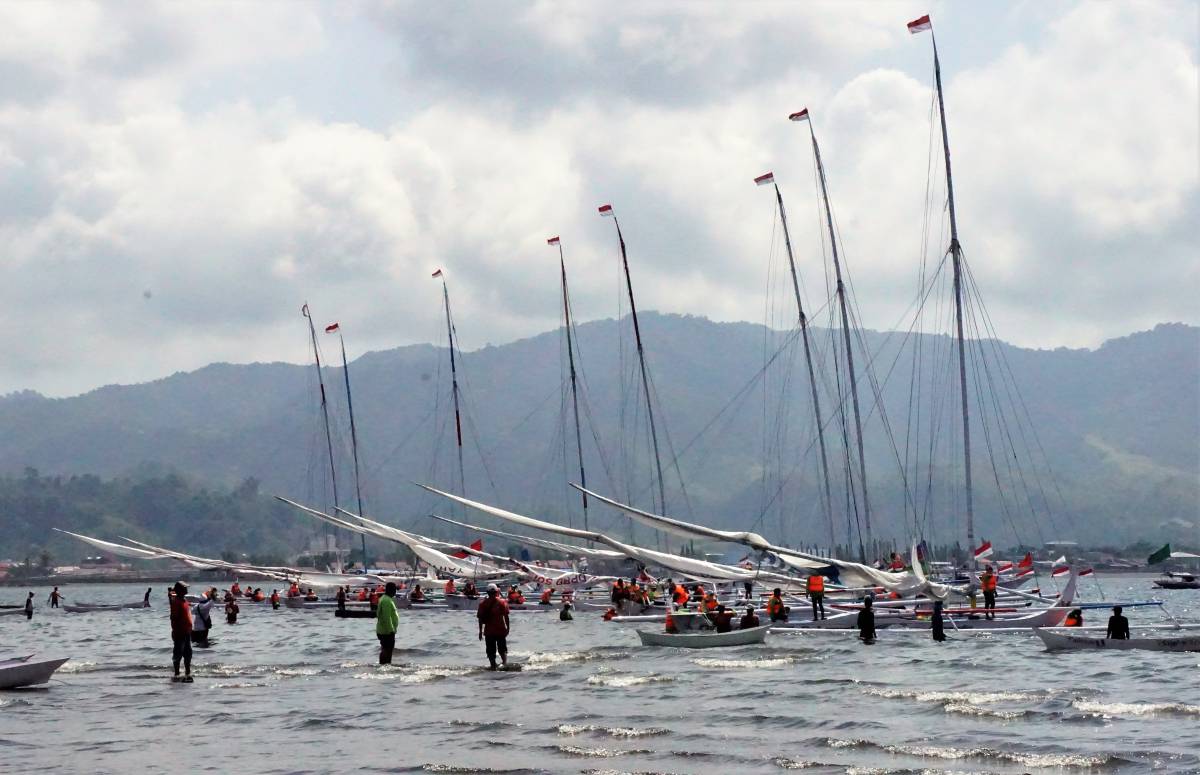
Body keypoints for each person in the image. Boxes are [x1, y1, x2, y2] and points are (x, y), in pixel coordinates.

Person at [477, 583, 511, 670]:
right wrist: (508, 628)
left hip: (489, 632)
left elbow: (480, 619)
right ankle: (504, 664)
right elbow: (506, 616)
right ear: (496, 592)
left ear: (487, 592)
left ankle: (493, 667)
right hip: (500, 630)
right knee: (502, 650)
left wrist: (480, 631)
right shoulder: (502, 602)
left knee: (490, 651)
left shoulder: (483, 604)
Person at [169, 582, 193, 681]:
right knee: (178, 652)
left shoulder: (184, 601)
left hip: (187, 632)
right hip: (180, 632)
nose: (186, 589)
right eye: (185, 588)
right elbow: (173, 617)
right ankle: (177, 673)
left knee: (188, 653)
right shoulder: (176, 602)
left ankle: (187, 671)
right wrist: (177, 630)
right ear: (180, 590)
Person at [376, 581, 400, 665]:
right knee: (387, 649)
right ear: (391, 590)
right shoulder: (386, 601)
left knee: (385, 649)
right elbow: (387, 618)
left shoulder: (384, 598)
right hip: (387, 631)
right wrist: (391, 630)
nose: (395, 592)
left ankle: (384, 665)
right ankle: (385, 665)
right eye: (394, 590)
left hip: (382, 629)